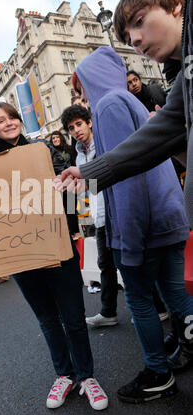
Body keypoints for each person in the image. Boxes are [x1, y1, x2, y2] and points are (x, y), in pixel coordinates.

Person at [55, 0, 193, 372]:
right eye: (126, 33)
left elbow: (132, 173)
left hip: (142, 227)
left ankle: (156, 370)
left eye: (139, 22)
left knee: (143, 301)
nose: (134, 39)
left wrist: (127, 237)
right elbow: (151, 145)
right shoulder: (161, 87)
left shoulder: (111, 106)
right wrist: (87, 173)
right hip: (164, 219)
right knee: (176, 295)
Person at [0, 102, 109, 410]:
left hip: (57, 247)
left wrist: (76, 217)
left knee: (74, 316)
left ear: (19, 120)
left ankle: (86, 376)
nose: (9, 123)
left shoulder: (44, 151)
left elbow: (76, 188)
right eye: (1, 121)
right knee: (48, 319)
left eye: (12, 116)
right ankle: (64, 374)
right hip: (20, 256)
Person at [61, 103, 168, 327]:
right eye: (71, 128)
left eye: (79, 124)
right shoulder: (79, 157)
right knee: (105, 265)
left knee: (130, 264)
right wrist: (77, 218)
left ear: (89, 122)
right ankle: (108, 312)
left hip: (118, 213)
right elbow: (86, 189)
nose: (76, 130)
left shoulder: (104, 143)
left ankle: (157, 308)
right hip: (101, 218)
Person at [49, 131, 81, 240]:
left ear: (61, 138)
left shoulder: (68, 149)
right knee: (63, 209)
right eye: (53, 138)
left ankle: (76, 232)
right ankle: (69, 234)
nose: (55, 140)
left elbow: (74, 162)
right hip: (58, 183)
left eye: (57, 138)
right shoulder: (50, 153)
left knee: (71, 208)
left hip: (70, 181)